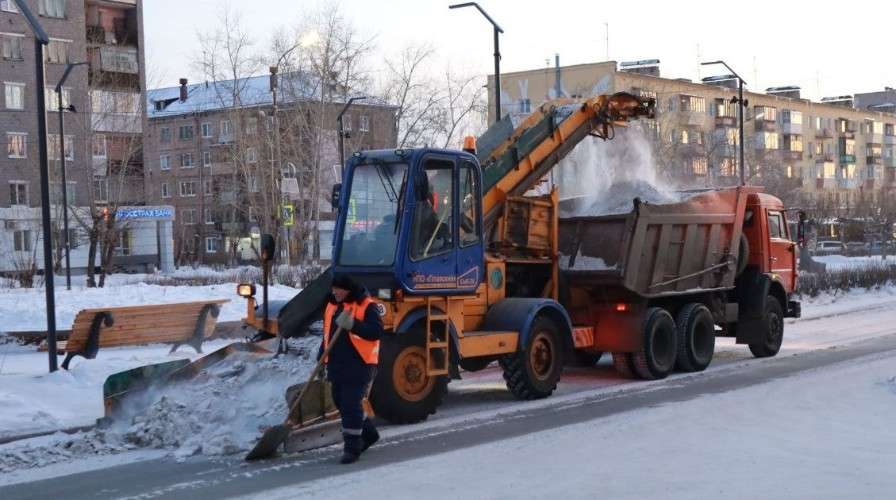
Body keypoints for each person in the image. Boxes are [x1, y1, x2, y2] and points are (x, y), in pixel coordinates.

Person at [318, 273, 383, 464]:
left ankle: (352, 449)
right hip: (337, 362)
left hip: (360, 363)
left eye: (339, 289)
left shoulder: (367, 306)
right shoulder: (331, 306)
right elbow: (327, 334)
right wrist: (322, 356)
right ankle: (369, 433)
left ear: (348, 290)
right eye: (334, 288)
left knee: (350, 404)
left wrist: (353, 325)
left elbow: (376, 332)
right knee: (340, 401)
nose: (335, 292)